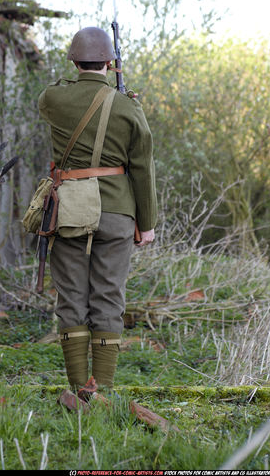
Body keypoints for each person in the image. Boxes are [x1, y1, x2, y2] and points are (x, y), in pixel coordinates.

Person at [38, 26, 157, 392]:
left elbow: (50, 96)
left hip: (70, 209)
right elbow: (142, 166)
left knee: (72, 297)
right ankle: (101, 390)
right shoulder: (127, 106)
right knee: (109, 297)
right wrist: (146, 222)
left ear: (74, 61)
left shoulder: (55, 100)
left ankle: (78, 389)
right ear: (111, 62)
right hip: (117, 212)